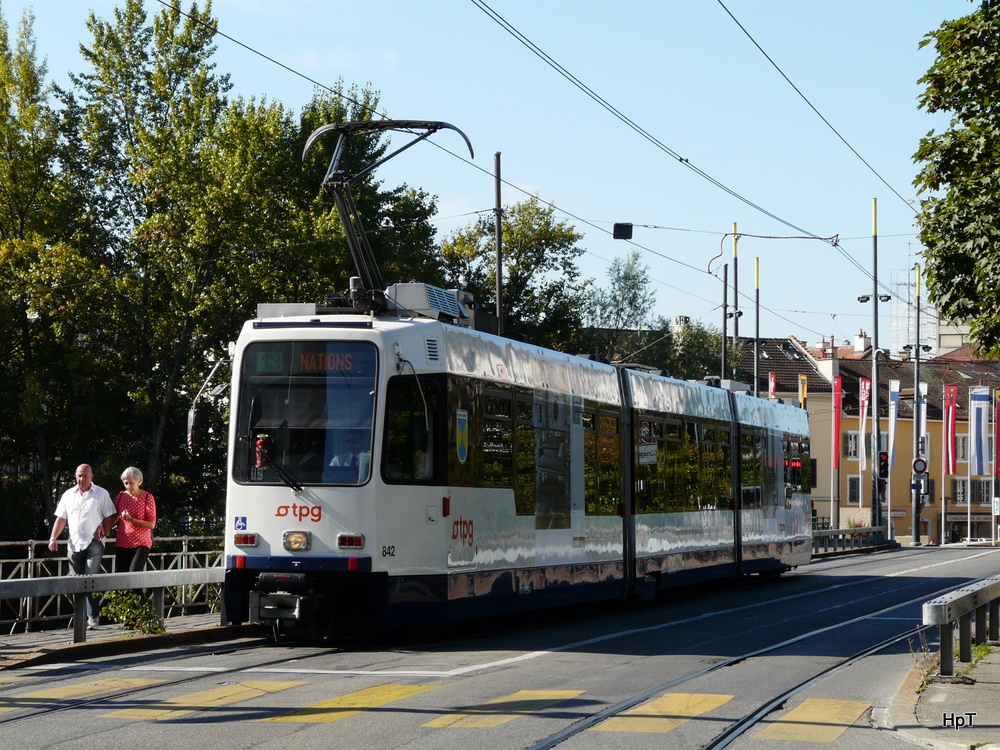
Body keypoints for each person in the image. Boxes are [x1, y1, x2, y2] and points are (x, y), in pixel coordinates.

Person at [48, 464, 117, 630]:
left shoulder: (101, 493)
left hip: (94, 544)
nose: (82, 479)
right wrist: (53, 538)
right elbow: (61, 519)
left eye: (85, 476)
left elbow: (112, 515)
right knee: (75, 584)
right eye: (79, 476)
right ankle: (81, 617)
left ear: (92, 476)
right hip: (74, 544)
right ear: (75, 476)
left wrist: (103, 529)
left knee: (89, 582)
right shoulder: (68, 495)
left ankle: (93, 618)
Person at [114, 466, 157, 573]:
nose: (128, 486)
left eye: (131, 483)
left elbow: (151, 524)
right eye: (126, 483)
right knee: (121, 576)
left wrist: (131, 519)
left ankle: (144, 590)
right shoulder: (121, 495)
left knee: (134, 575)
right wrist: (102, 526)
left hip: (141, 543)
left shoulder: (147, 497)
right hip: (122, 541)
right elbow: (113, 516)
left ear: (139, 481)